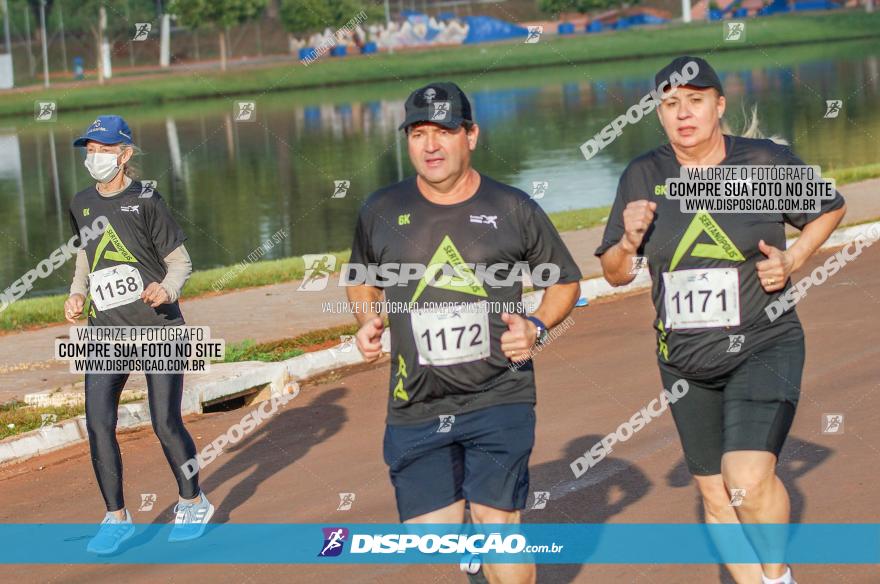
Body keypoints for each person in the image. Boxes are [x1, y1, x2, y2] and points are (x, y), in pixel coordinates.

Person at [595, 57, 846, 584]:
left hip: (764, 343)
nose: (683, 113)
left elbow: (829, 208)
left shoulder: (761, 163)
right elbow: (614, 274)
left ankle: (777, 577)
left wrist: (793, 260)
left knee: (747, 478)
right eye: (670, 104)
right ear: (658, 113)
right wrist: (626, 240)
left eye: (695, 100)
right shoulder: (643, 174)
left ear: (719, 105)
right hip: (684, 360)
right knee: (714, 492)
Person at [345, 82, 582, 584]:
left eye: (444, 132)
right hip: (417, 399)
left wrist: (537, 325)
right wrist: (366, 319)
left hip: (499, 392)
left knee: (500, 526)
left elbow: (564, 279)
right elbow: (361, 279)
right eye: (418, 133)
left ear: (471, 135)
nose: (430, 145)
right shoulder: (380, 210)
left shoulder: (512, 207)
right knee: (432, 537)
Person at [64, 115, 214, 554]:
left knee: (165, 422)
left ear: (125, 155)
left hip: (158, 330)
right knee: (97, 424)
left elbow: (181, 262)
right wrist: (76, 296)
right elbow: (85, 259)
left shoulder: (147, 200)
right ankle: (116, 517)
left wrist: (166, 289)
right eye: (89, 150)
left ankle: (194, 501)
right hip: (105, 334)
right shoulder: (81, 203)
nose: (95, 158)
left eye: (104, 150)